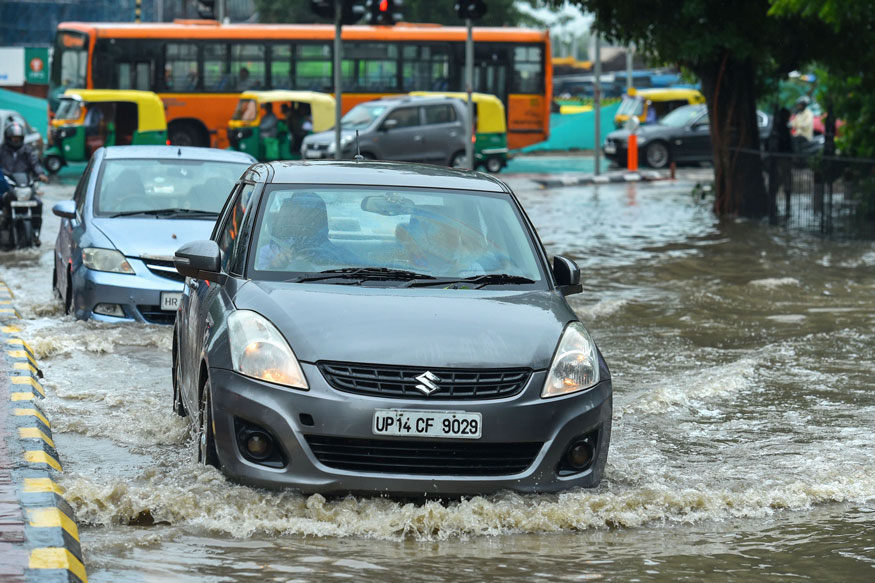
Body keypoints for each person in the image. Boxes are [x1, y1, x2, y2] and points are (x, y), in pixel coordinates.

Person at [256, 192, 355, 270]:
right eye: (293, 214)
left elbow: (360, 269)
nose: (307, 220)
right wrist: (274, 267)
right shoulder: (267, 252)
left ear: (321, 222)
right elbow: (257, 283)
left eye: (312, 216)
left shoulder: (337, 254)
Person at [0, 122, 47, 245]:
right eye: (13, 138)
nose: (15, 140)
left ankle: (36, 233)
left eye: (18, 138)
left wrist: (40, 174)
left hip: (25, 186)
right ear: (8, 138)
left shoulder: (28, 150)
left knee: (38, 203)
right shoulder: (2, 150)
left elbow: (35, 164)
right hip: (7, 187)